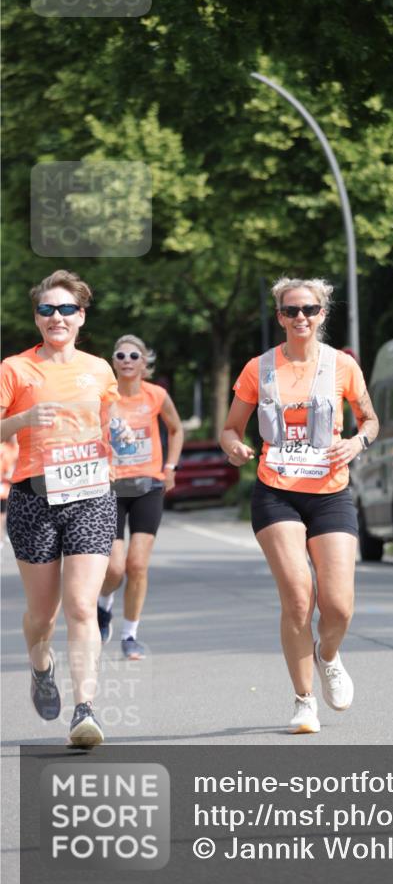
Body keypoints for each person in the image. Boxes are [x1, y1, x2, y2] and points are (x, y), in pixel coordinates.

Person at [221, 276, 378, 734]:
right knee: (297, 600)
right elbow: (230, 427)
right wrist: (233, 447)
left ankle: (328, 656)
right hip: (276, 492)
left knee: (339, 606)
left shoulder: (343, 367)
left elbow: (369, 419)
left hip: (330, 492)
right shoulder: (259, 368)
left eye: (309, 309)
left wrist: (357, 442)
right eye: (291, 311)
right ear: (280, 317)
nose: (301, 317)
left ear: (323, 313)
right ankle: (304, 700)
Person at [0, 270, 133, 747]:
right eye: (47, 310)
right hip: (35, 498)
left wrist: (118, 436)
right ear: (37, 317)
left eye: (66, 310)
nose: (56, 318)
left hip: (91, 495)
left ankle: (85, 711)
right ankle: (40, 666)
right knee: (43, 613)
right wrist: (23, 418)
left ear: (81, 316)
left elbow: (109, 419)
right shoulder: (15, 369)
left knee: (81, 605)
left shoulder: (99, 368)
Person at [97, 335, 184, 659]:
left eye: (134, 355)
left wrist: (171, 466)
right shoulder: (104, 398)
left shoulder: (156, 395)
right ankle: (103, 605)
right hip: (112, 488)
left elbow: (176, 429)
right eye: (120, 354)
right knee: (114, 568)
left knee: (138, 565)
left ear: (144, 361)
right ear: (114, 361)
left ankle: (130, 636)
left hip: (149, 486)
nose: (127, 360)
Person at [0, 436, 19, 541]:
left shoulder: (15, 448)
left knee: (5, 511)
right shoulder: (4, 448)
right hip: (4, 482)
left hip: (8, 484)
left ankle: (4, 533)